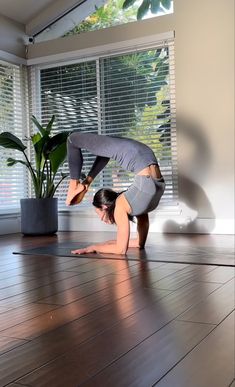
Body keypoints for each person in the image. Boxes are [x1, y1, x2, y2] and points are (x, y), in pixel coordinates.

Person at [66, 132, 165, 255]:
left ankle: (73, 185)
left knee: (72, 139)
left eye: (100, 214)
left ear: (105, 207)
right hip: (157, 183)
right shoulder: (134, 202)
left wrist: (93, 247)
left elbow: (121, 250)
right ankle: (84, 184)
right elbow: (138, 243)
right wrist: (109, 243)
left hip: (148, 185)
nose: (101, 219)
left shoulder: (121, 205)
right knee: (106, 152)